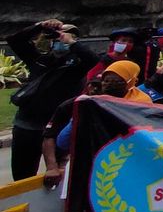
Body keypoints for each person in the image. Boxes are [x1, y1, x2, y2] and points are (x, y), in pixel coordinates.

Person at [6, 19, 98, 180]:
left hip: (57, 127)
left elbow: (93, 59)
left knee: (59, 175)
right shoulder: (40, 60)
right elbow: (15, 40)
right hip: (27, 125)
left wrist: (71, 43)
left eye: (66, 36)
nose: (60, 39)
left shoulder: (76, 67)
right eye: (57, 37)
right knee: (22, 176)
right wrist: (40, 26)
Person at [41, 77, 101, 189]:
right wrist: (52, 167)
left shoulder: (116, 106)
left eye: (100, 86)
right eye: (93, 85)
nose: (95, 89)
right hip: (68, 162)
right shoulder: (69, 106)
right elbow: (50, 136)